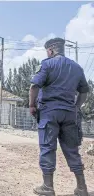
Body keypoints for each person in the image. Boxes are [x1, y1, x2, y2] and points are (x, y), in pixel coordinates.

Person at [29, 38, 89, 196]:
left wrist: (31, 105)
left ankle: (48, 187)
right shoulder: (76, 67)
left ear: (50, 50)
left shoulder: (47, 64)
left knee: (48, 148)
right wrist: (75, 107)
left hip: (49, 113)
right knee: (72, 150)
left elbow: (34, 86)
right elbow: (84, 92)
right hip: (69, 114)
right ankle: (82, 188)